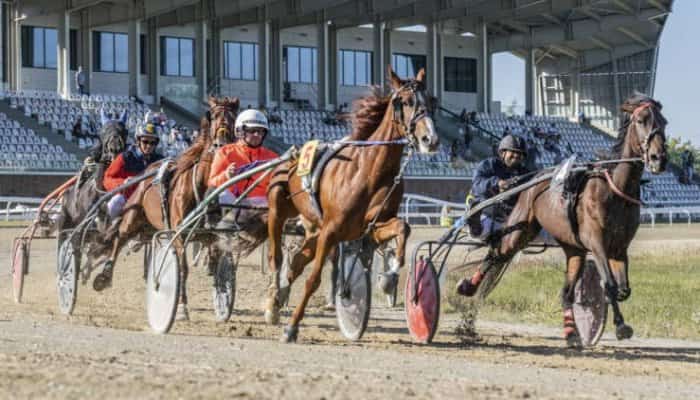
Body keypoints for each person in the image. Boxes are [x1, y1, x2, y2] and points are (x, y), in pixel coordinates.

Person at [207, 109, 278, 229]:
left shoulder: (273, 158)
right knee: (211, 192)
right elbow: (211, 182)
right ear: (240, 131)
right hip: (232, 202)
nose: (257, 135)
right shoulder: (225, 152)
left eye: (261, 131)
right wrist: (226, 176)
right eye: (252, 131)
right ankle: (213, 227)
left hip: (260, 204)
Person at [465, 135, 531, 239]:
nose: (516, 156)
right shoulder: (489, 165)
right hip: (488, 213)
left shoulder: (526, 173)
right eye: (513, 152)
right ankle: (475, 225)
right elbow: (476, 184)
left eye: (519, 154)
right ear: (502, 153)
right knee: (484, 230)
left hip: (513, 219)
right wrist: (497, 183)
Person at [103, 123, 164, 221]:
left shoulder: (160, 161)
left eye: (153, 143)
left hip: (151, 200)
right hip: (127, 198)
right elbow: (107, 178)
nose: (149, 146)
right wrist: (123, 183)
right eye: (145, 142)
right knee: (116, 201)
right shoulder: (125, 157)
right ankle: (107, 229)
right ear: (138, 141)